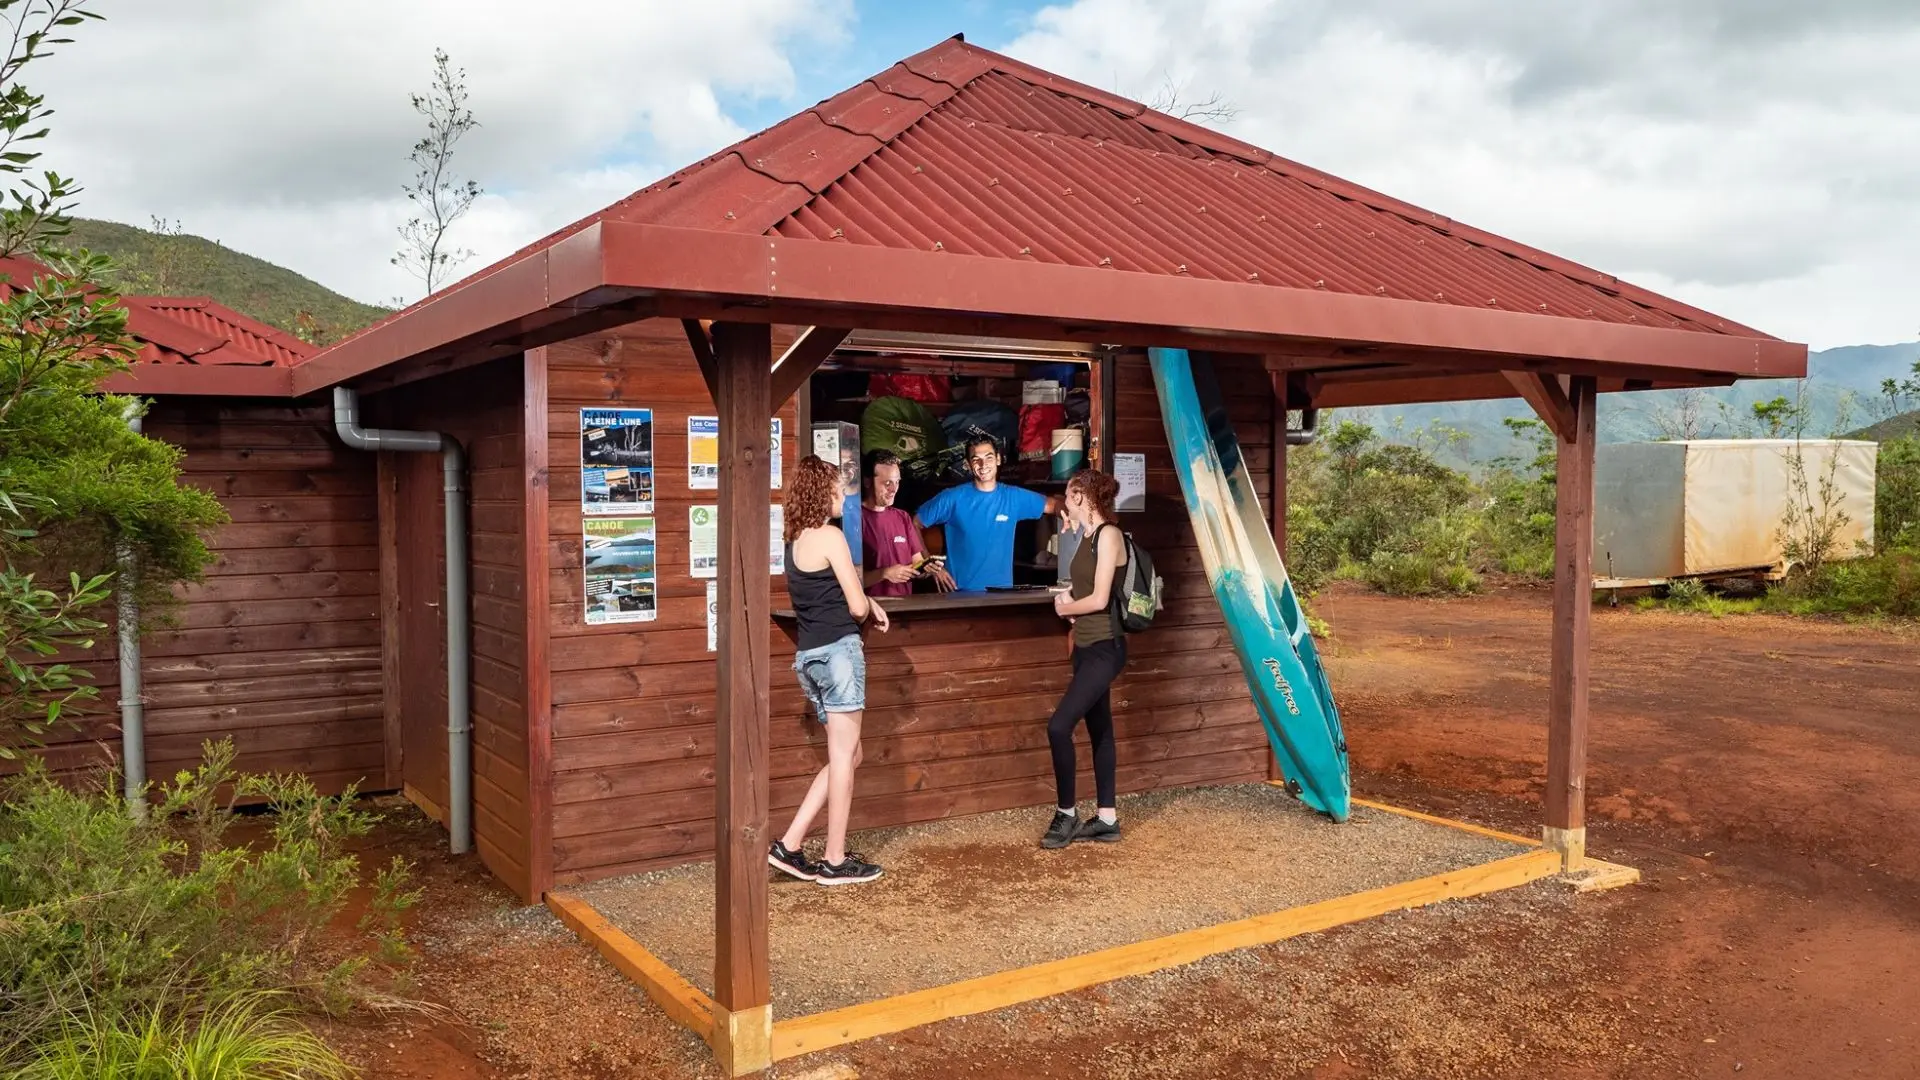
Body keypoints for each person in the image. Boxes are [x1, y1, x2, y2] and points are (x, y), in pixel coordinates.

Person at [770, 455, 891, 885]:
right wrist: (868, 604)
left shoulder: (795, 541)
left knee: (849, 754)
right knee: (844, 756)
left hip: (809, 658)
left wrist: (865, 601)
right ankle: (836, 861)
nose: (844, 496)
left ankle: (790, 844)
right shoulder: (831, 537)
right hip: (840, 654)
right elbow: (855, 605)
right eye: (838, 490)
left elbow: (827, 597)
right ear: (823, 493)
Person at [1040, 469, 1130, 849]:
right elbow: (1084, 589)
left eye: (1067, 495)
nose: (1064, 501)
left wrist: (1066, 609)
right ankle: (1107, 818)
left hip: (1107, 648)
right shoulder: (1086, 536)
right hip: (1086, 645)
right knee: (1100, 730)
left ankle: (1066, 814)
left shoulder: (1108, 535)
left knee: (1059, 727)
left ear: (1081, 496)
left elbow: (1099, 599)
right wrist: (1074, 612)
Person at [914, 436, 1061, 592]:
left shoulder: (1013, 497)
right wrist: (929, 565)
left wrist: (1071, 515)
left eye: (989, 458)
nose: (983, 465)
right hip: (958, 594)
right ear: (968, 464)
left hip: (1001, 595)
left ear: (998, 459)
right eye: (976, 459)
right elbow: (914, 524)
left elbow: (1054, 504)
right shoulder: (951, 498)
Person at [860, 449, 955, 596]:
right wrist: (884, 574)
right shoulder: (855, 519)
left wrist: (926, 569)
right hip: (872, 608)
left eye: (897, 482)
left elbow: (916, 565)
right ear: (867, 482)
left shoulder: (902, 517)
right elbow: (847, 578)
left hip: (905, 607)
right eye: (887, 483)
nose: (893, 489)